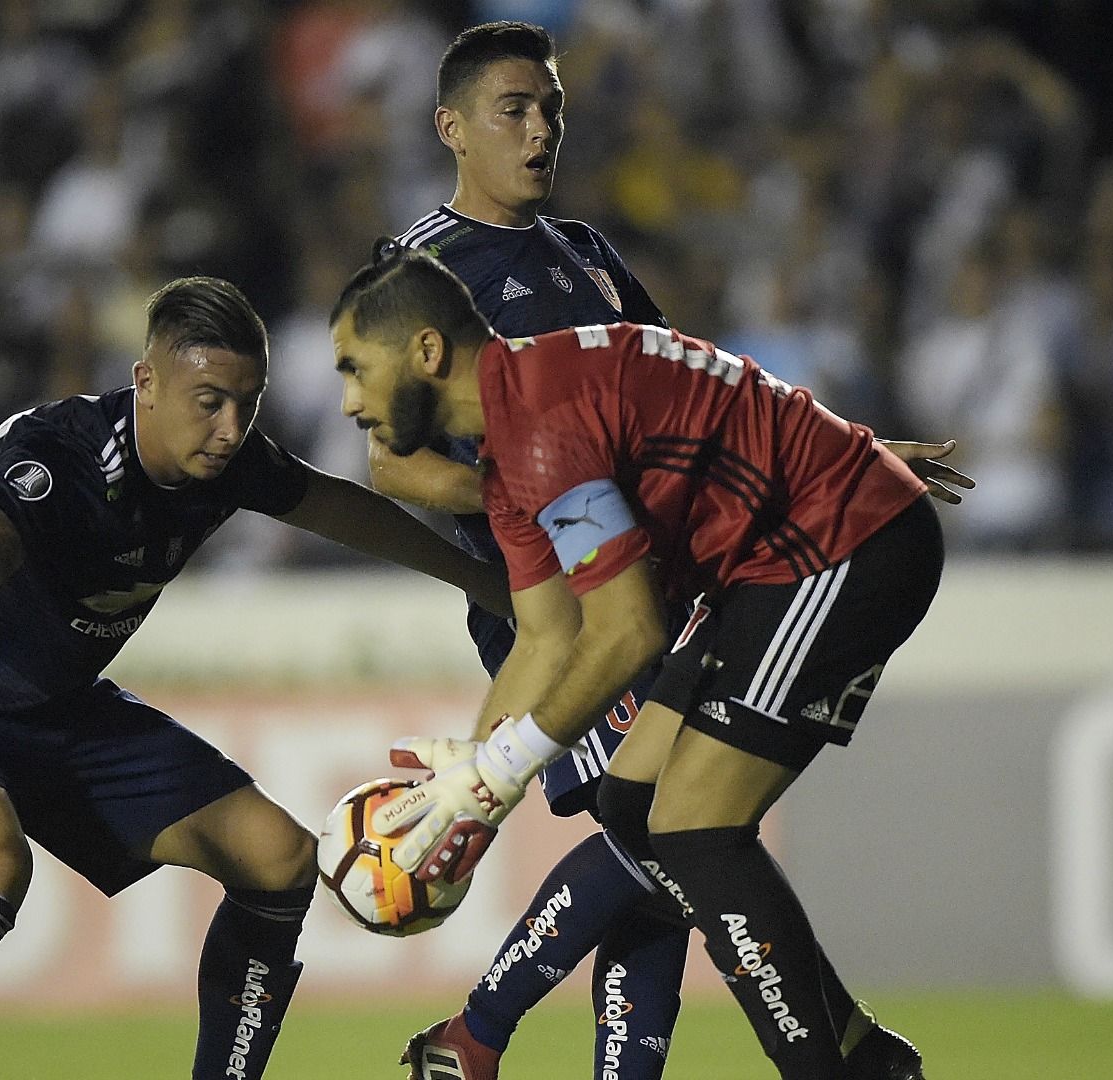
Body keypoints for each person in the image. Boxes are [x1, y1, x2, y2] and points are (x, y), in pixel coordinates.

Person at [374, 22, 961, 1080]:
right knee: (650, 837)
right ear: (451, 128)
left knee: (653, 836)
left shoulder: (585, 252)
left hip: (661, 578)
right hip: (564, 604)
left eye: (552, 108)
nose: (541, 129)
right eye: (515, 110)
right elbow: (392, 463)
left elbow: (692, 376)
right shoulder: (422, 271)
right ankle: (483, 1038)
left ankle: (502, 1047)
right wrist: (544, 506)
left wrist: (845, 441)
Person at [0, 275, 511, 1080]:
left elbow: (343, 510)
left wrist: (483, 581)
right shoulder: (58, 459)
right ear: (146, 380)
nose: (230, 430)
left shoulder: (230, 463)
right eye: (210, 402)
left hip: (58, 707)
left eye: (247, 404)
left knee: (280, 860)